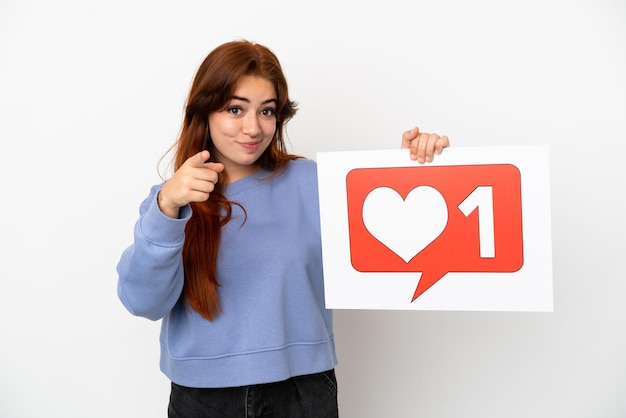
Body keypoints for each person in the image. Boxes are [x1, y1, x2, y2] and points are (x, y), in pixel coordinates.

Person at [116, 40, 449, 418]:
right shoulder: (170, 200)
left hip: (301, 391)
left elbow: (389, 231)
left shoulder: (311, 182)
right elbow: (142, 302)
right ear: (204, 112)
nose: (253, 127)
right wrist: (167, 209)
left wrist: (418, 167)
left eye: (267, 111)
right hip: (202, 398)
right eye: (235, 109)